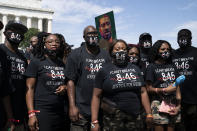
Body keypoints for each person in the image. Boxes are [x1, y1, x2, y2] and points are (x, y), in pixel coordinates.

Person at [91, 39, 152, 131]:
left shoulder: (135, 69)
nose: (121, 51)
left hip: (135, 117)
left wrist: (149, 113)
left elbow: (143, 92)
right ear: (111, 52)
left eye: (124, 49)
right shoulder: (104, 71)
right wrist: (94, 122)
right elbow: (96, 96)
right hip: (113, 119)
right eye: (117, 49)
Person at [65, 25, 111, 131]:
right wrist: (72, 106)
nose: (93, 36)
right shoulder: (75, 54)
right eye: (89, 34)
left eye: (95, 33)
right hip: (81, 110)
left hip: (102, 110)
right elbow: (70, 81)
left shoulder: (105, 55)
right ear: (84, 37)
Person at [25, 33, 67, 131]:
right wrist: (31, 114)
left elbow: (65, 82)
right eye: (50, 42)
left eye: (57, 42)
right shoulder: (36, 61)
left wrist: (65, 87)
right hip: (42, 111)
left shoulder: (61, 63)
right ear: (44, 44)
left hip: (60, 111)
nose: (54, 44)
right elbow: (29, 89)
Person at [146, 40, 181, 131]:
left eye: (168, 49)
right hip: (158, 103)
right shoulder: (151, 67)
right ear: (157, 51)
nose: (166, 51)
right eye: (163, 49)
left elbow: (177, 85)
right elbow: (148, 88)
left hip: (173, 102)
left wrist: (178, 105)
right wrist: (164, 90)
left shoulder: (172, 66)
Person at [0, 20, 28, 131]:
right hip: (3, 113)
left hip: (19, 112)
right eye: (14, 30)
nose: (17, 33)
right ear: (5, 33)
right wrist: (9, 117)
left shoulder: (23, 57)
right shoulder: (1, 51)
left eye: (20, 31)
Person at [172, 29, 197, 131]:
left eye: (186, 36)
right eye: (180, 36)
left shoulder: (196, 52)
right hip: (176, 99)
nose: (183, 38)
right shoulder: (173, 54)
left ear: (191, 38)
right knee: (178, 127)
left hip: (193, 98)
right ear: (177, 39)